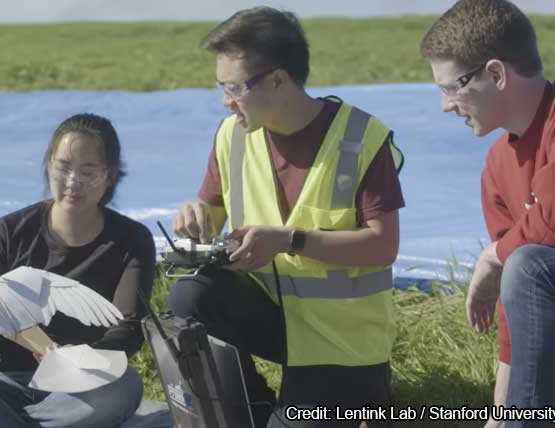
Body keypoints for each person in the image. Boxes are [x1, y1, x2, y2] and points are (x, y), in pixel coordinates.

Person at [167, 7, 405, 428]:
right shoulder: (232, 135)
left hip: (343, 342)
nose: (226, 100)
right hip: (274, 320)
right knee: (190, 297)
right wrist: (194, 216)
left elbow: (383, 247)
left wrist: (289, 239)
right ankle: (253, 409)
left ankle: (368, 393)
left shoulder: (360, 138)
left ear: (279, 80)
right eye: (221, 87)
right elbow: (209, 217)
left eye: (235, 88)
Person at [0, 113, 156, 428]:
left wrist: (80, 360)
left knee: (125, 385)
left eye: (87, 172)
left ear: (110, 176)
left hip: (80, 389)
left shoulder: (132, 240)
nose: (73, 182)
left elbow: (129, 328)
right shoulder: (8, 232)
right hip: (3, 382)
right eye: (63, 167)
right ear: (48, 165)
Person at [420, 1, 555, 427]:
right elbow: (518, 298)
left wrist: (492, 257)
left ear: (497, 74)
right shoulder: (496, 167)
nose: (446, 105)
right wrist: (501, 410)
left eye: (452, 87)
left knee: (526, 263)